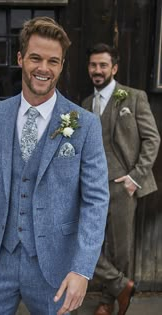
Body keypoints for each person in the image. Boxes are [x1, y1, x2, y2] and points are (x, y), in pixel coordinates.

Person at [0, 17, 109, 315]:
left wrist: (82, 271)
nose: (44, 68)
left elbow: (96, 201)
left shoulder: (86, 124)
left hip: (55, 265)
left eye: (53, 61)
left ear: (61, 65)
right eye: (35, 58)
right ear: (20, 59)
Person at [82, 43, 160, 315]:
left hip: (122, 187)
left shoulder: (134, 97)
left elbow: (152, 139)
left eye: (103, 65)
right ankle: (120, 285)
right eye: (93, 65)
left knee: (121, 248)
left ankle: (108, 301)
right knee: (84, 242)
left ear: (114, 68)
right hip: (91, 187)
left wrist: (134, 178)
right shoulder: (85, 104)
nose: (98, 70)